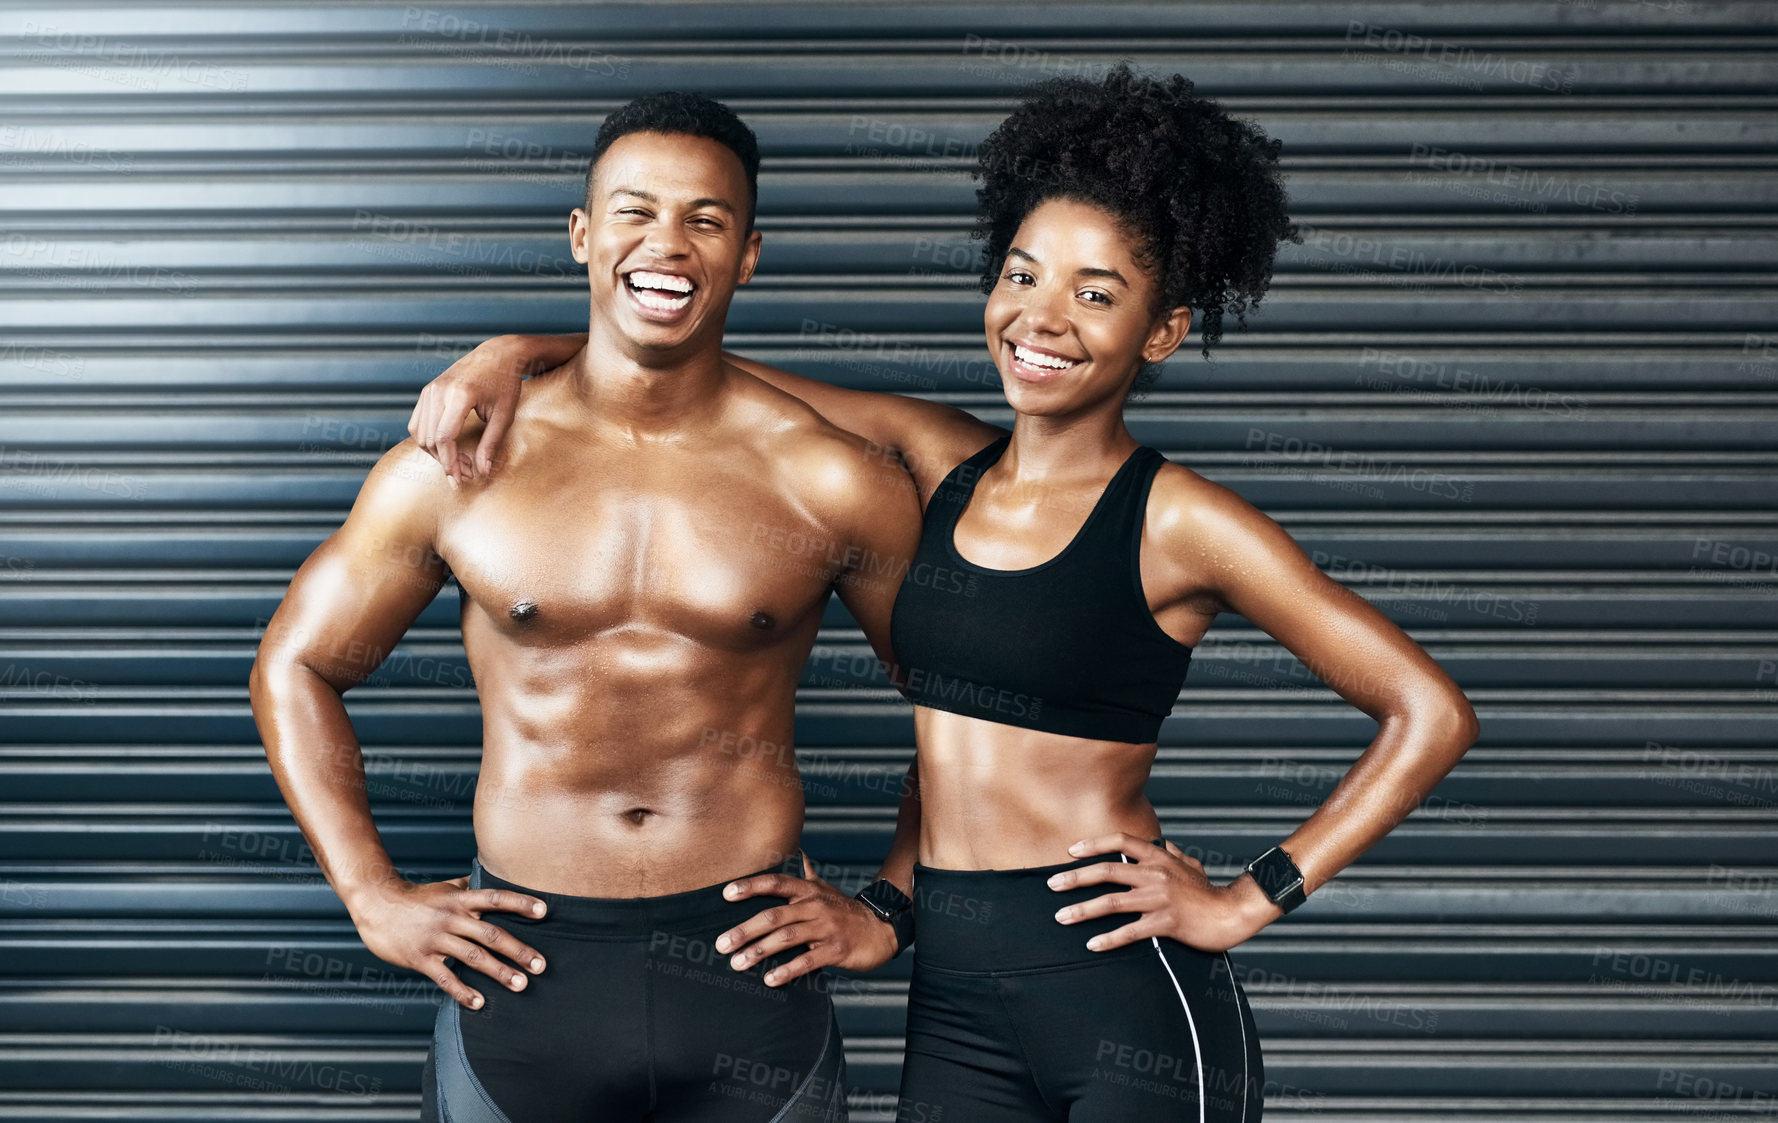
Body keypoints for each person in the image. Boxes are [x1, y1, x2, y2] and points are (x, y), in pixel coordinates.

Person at [411, 66, 1480, 1123]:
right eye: (1021, 276)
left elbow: (1426, 711)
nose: (1042, 318)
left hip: (1116, 980)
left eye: (1094, 293)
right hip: (955, 995)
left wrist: (1250, 895)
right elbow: (686, 361)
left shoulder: (1179, 518)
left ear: (1160, 332)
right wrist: (514, 353)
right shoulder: (938, 462)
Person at [250, 92, 929, 1123]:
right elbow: (295, 664)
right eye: (634, 210)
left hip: (748, 977)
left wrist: (889, 904)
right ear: (582, 234)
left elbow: (972, 701)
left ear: (747, 255)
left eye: (706, 219)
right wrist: (370, 895)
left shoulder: (828, 479)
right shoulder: (457, 465)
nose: (668, 242)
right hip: (523, 973)